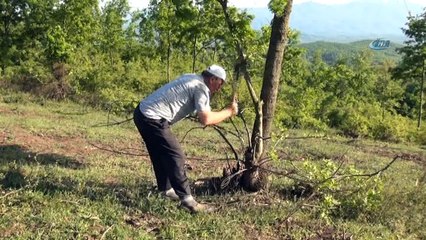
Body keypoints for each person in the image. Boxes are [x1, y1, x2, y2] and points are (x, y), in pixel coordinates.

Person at [133, 64, 238, 213]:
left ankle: (166, 190)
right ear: (213, 78)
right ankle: (188, 202)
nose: (219, 88)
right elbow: (206, 119)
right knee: (176, 156)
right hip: (152, 118)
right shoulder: (201, 87)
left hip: (141, 113)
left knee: (160, 153)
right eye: (220, 83)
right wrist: (229, 111)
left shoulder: (191, 78)